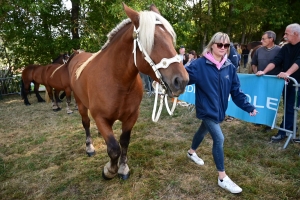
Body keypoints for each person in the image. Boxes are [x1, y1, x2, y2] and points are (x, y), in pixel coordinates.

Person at [185, 32, 258, 194]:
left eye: (227, 45)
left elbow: (236, 92)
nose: (223, 48)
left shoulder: (229, 67)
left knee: (202, 130)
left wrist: (249, 107)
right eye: (220, 45)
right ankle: (222, 177)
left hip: (219, 110)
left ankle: (191, 152)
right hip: (206, 109)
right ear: (212, 45)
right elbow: (183, 77)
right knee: (219, 138)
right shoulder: (199, 64)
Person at [256, 23, 300, 142]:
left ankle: (283, 132)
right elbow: (276, 61)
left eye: (287, 33)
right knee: (288, 107)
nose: (284, 35)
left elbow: (298, 62)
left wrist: (287, 73)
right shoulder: (285, 47)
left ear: (296, 34)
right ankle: (290, 128)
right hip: (287, 83)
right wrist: (264, 71)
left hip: (297, 83)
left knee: (292, 107)